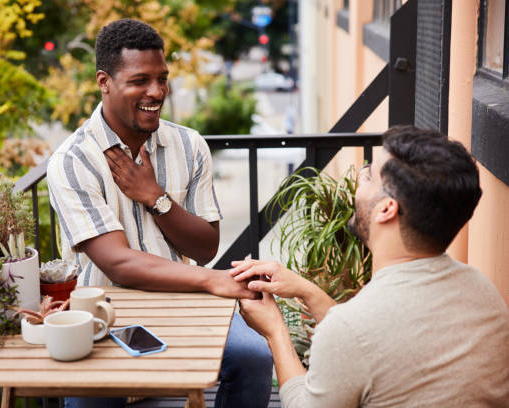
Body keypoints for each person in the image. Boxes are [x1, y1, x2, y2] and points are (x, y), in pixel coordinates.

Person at [46, 18, 272, 408]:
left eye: (162, 78)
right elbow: (117, 263)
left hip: (184, 301)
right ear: (104, 82)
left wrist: (156, 197)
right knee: (89, 398)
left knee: (254, 356)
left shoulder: (189, 145)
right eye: (140, 81)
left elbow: (205, 246)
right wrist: (211, 281)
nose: (156, 92)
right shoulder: (72, 161)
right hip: (105, 311)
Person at [232, 126, 509, 407]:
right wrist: (308, 291)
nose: (357, 180)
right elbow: (380, 342)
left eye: (367, 175)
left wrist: (275, 333)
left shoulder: (351, 329)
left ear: (386, 209)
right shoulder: (485, 293)